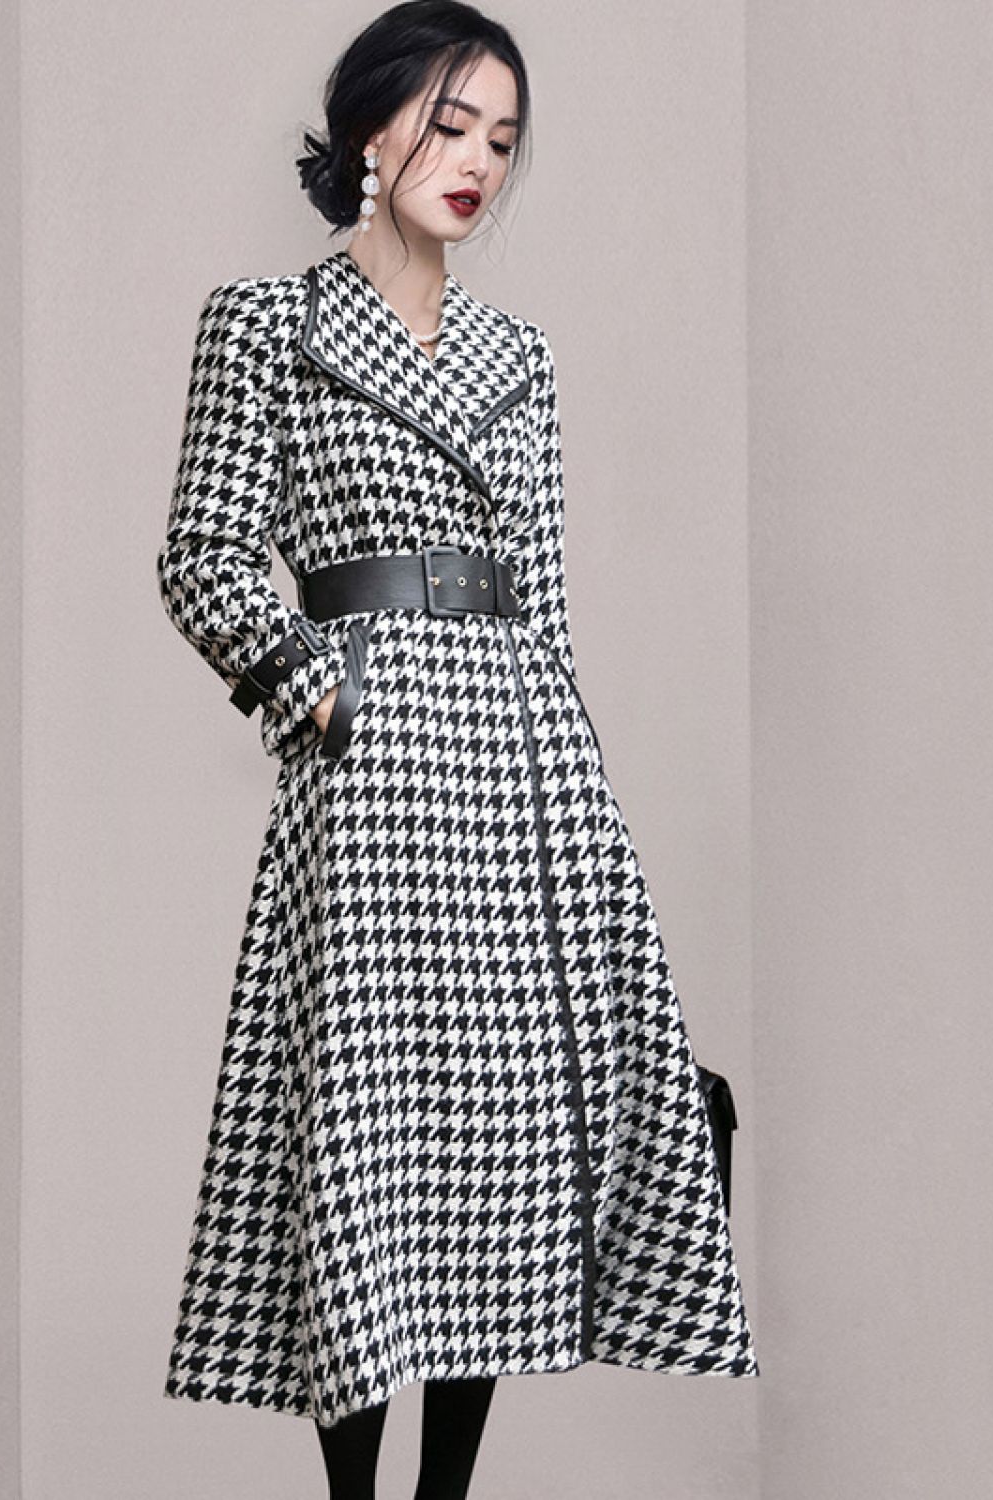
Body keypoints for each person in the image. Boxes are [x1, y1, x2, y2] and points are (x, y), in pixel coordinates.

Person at [155, 3, 759, 1495]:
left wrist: (585, 814)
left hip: (516, 763)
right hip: (367, 770)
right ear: (373, 129)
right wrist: (320, 699)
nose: (479, 159)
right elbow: (204, 558)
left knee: (499, 1155)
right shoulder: (268, 324)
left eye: (502, 136)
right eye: (449, 125)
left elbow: (542, 605)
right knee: (365, 1149)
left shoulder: (520, 357)